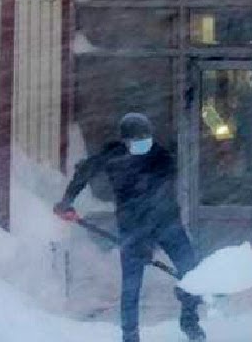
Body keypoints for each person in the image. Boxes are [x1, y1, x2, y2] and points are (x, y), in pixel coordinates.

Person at [54, 113, 207, 342]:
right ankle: (130, 337)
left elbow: (157, 200)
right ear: (125, 141)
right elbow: (85, 171)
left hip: (166, 222)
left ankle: (189, 319)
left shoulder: (161, 158)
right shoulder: (114, 154)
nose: (143, 143)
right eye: (136, 140)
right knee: (131, 286)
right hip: (131, 227)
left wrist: (149, 242)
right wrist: (67, 201)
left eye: (146, 138)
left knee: (191, 271)